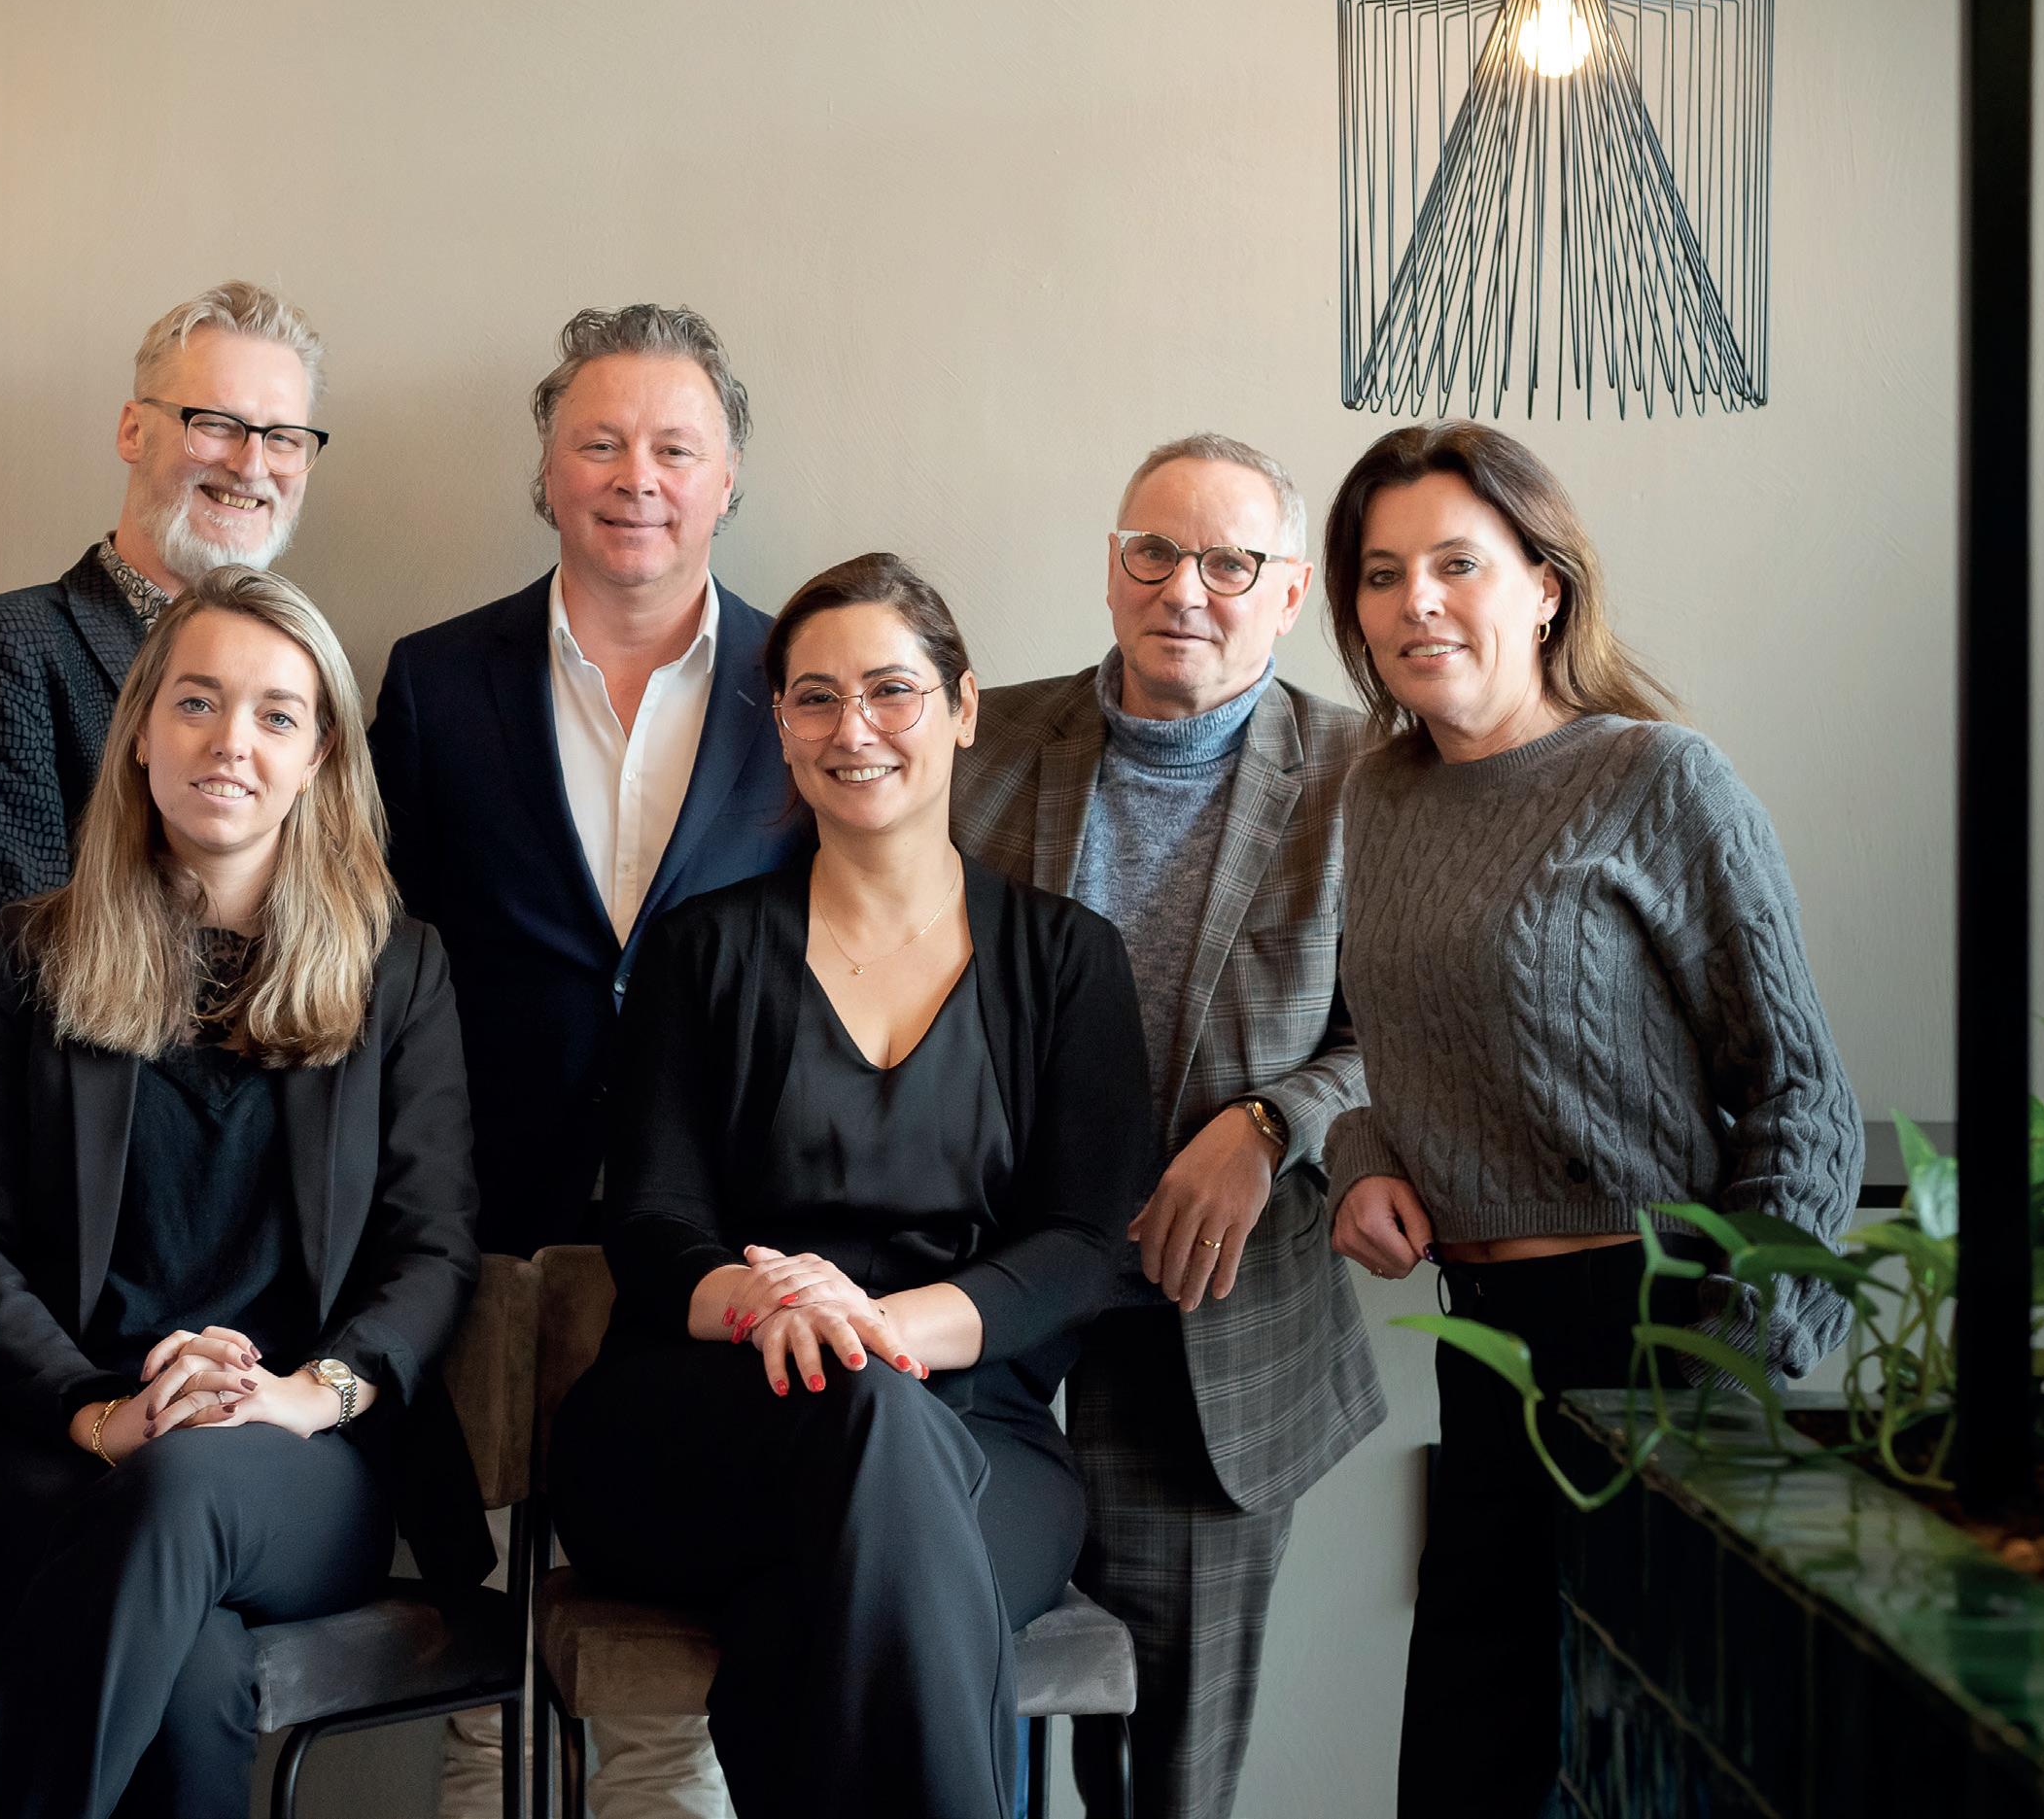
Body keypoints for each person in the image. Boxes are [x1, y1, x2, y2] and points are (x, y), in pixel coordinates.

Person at [1316, 422, 1863, 1819]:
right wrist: (1362, 1156)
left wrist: (1725, 1370)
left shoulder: (1659, 780)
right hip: (1482, 1343)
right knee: (1470, 1772)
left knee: (1647, 1770)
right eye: (1381, 573)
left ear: (1545, 586)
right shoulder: (1379, 793)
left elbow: (1804, 1098)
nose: (1416, 602)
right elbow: (1370, 1037)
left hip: (1654, 1333)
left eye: (1457, 563)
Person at [550, 552, 1145, 1819]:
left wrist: (875, 1327)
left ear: (963, 706)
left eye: (890, 690)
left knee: (829, 1576)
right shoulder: (700, 952)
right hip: (706, 1417)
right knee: (884, 1485)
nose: (852, 728)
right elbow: (650, 1223)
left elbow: (1085, 1246)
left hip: (976, 1430)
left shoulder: (1068, 962)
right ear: (780, 726)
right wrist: (776, 1306)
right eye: (814, 699)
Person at [0, 566, 482, 1819]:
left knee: (188, 1488)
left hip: (295, 1462)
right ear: (142, 732)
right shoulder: (24, 959)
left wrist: (306, 1396)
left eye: (277, 714)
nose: (231, 742)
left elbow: (431, 1251)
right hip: (44, 1450)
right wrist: (99, 1413)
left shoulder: (400, 975)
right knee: (193, 1664)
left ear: (319, 757)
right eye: (198, 702)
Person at [371, 303, 805, 1817]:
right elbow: (383, 960)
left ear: (728, 478)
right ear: (546, 472)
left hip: (722, 1238)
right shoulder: (434, 680)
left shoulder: (806, 680)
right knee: (484, 1665)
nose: (638, 477)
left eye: (676, 446)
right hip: (485, 1227)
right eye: (600, 443)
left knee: (669, 1680)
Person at [953, 432, 1385, 1819]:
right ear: (1110, 566)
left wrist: (1271, 1120)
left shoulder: (1370, 773)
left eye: (1229, 562)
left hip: (1201, 1328)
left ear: (1290, 593)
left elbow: (1416, 1035)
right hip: (979, 1315)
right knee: (946, 1702)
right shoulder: (976, 739)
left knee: (1164, 1772)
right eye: (1153, 551)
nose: (1183, 588)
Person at [0, 280, 333, 1077]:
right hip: (75, 1138)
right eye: (215, 423)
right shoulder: (8, 652)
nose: (251, 464)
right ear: (133, 429)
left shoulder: (316, 689)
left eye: (283, 437)